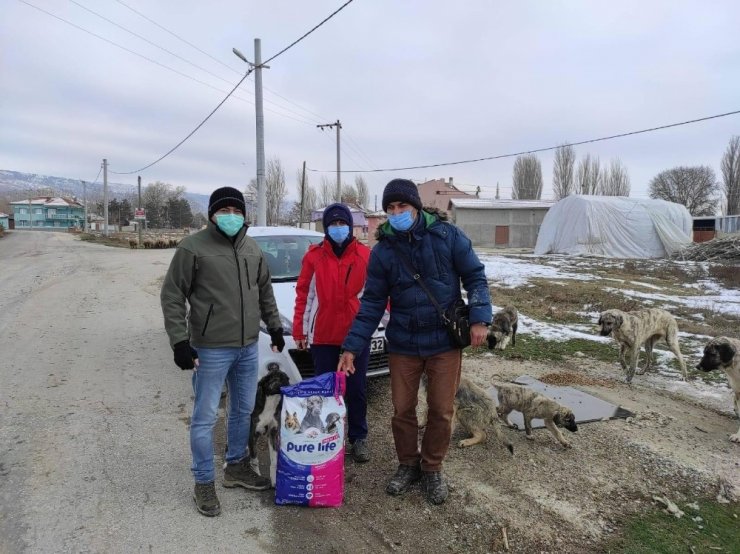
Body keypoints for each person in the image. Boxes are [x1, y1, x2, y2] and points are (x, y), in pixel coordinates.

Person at [338, 178, 491, 505]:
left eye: (401, 207)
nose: (396, 213)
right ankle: (408, 464)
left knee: (441, 409)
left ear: (416, 207)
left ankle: (432, 467)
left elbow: (475, 276)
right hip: (404, 344)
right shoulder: (383, 253)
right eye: (390, 208)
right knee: (403, 410)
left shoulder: (448, 237)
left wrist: (480, 318)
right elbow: (372, 304)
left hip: (443, 341)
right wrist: (351, 346)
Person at [160, 186, 286, 517]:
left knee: (242, 411)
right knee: (203, 418)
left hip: (246, 347)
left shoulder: (252, 248)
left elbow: (265, 291)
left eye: (237, 211)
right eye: (224, 211)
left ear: (244, 215)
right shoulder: (193, 248)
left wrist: (274, 326)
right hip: (210, 348)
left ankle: (236, 467)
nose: (231, 216)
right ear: (212, 214)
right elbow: (173, 295)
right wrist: (179, 341)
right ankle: (204, 482)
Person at [293, 203, 372, 463]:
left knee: (357, 389)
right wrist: (300, 329)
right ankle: (328, 437)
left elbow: (377, 295)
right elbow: (304, 293)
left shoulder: (364, 255)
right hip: (323, 334)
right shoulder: (314, 256)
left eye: (342, 223)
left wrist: (379, 323)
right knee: (326, 390)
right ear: (325, 228)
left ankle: (359, 438)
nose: (338, 228)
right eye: (333, 224)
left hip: (355, 335)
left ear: (351, 226)